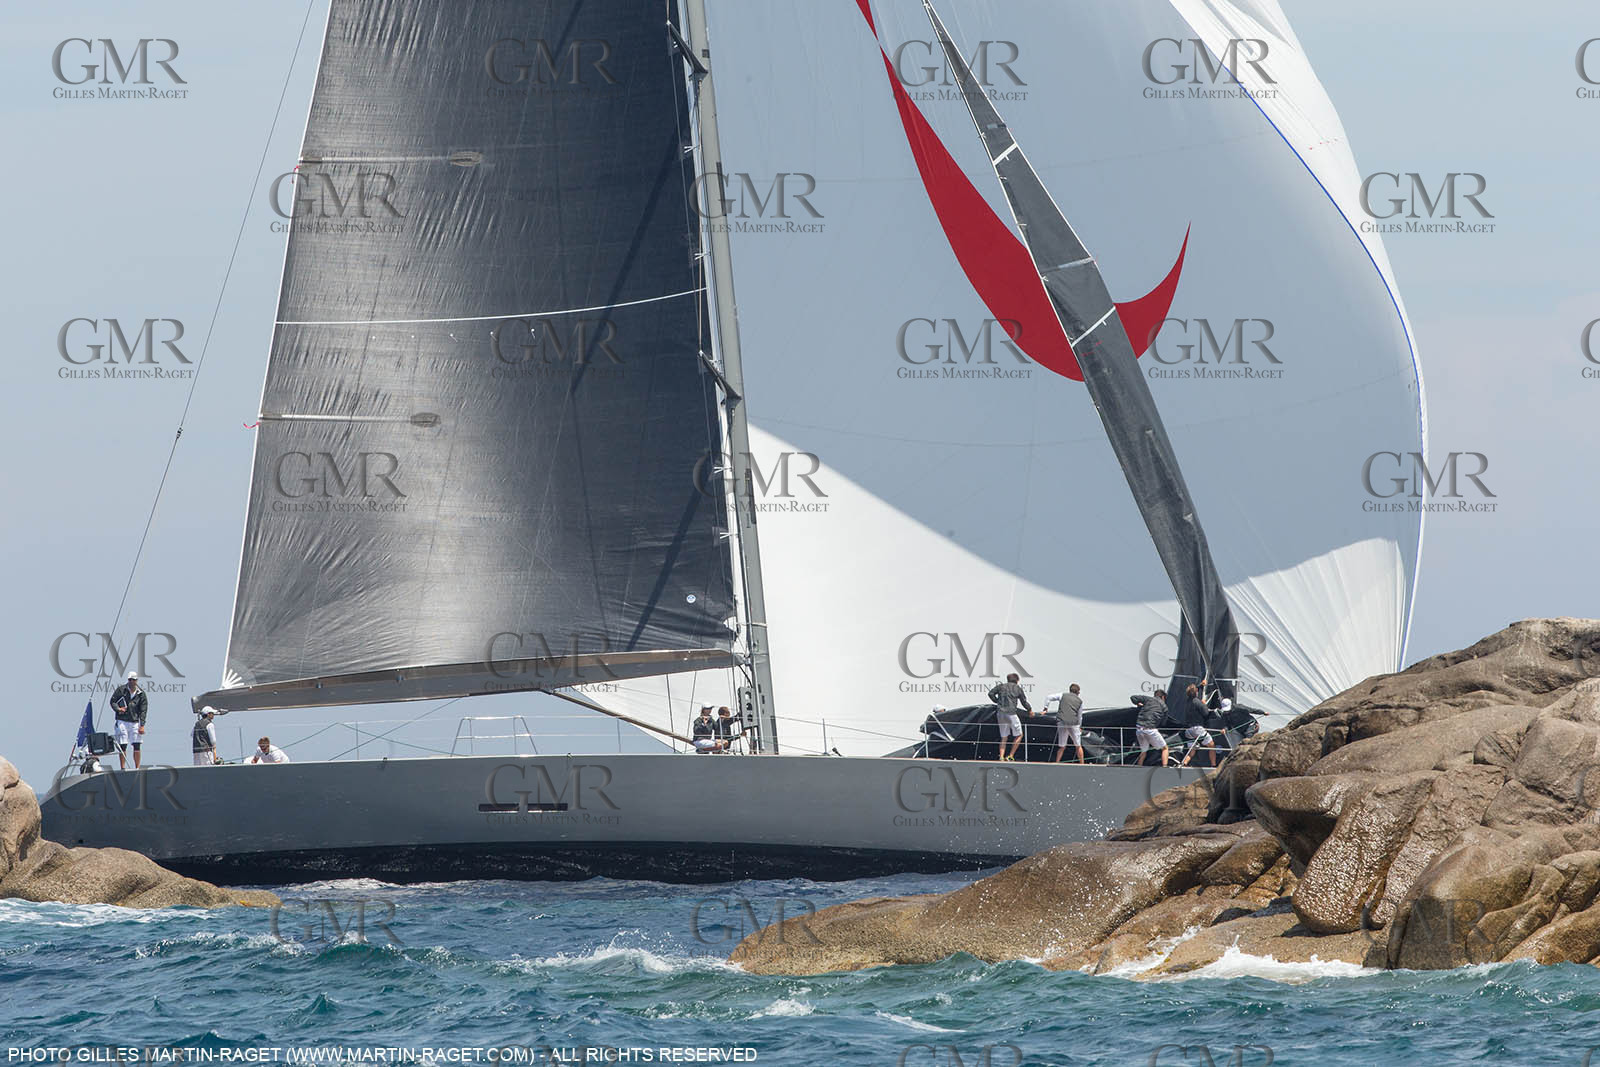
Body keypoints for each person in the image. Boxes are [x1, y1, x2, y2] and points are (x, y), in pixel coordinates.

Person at [988, 673, 1032, 762]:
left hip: (1000, 713)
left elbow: (990, 693)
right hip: (1011, 713)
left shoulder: (1001, 686)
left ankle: (1001, 756)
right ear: (1017, 680)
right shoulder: (1017, 688)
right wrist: (1029, 710)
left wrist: (997, 701)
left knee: (1004, 737)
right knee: (1019, 735)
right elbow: (1024, 701)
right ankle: (1010, 756)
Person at [108, 671, 148, 770]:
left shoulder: (141, 694)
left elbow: (143, 710)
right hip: (122, 720)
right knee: (123, 744)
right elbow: (113, 701)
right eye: (130, 680)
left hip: (135, 721)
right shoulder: (121, 690)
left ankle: (137, 767)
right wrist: (118, 709)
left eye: (133, 680)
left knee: (137, 744)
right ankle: (123, 767)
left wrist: (142, 725)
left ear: (136, 681)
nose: (131, 682)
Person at [1129, 689, 1169, 767]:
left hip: (1139, 729)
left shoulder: (1148, 699)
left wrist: (1139, 704)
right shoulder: (1164, 707)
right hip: (1150, 730)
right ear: (1163, 697)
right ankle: (1165, 767)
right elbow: (1163, 723)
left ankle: (1139, 767)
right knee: (1165, 748)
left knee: (1144, 751)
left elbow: (1133, 697)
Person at [1054, 683, 1085, 764]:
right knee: (1078, 745)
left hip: (1062, 722)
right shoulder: (1079, 701)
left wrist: (1045, 708)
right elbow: (1080, 716)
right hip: (1073, 724)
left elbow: (1050, 697)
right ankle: (1082, 764)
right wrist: (1079, 726)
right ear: (1078, 692)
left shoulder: (1063, 696)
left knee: (1062, 746)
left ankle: (1057, 762)